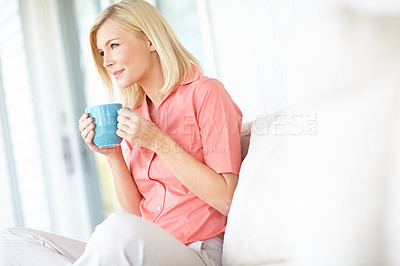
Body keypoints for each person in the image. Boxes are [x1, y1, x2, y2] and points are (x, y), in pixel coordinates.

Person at [0, 0, 242, 265]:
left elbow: (226, 200)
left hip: (196, 251)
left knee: (116, 229)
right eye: (102, 52)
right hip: (141, 246)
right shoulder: (135, 113)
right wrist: (114, 155)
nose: (107, 61)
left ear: (150, 40)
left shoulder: (206, 93)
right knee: (11, 239)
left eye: (113, 45)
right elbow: (136, 217)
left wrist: (158, 141)